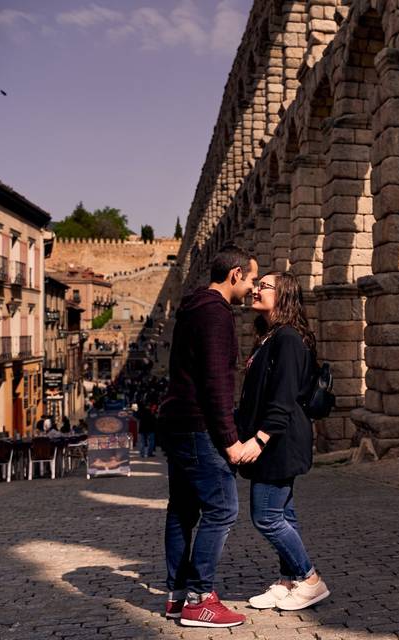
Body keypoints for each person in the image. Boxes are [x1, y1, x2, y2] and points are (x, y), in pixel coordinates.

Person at [157, 245, 262, 628]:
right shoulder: (217, 314)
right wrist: (231, 441)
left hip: (178, 423)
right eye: (251, 279)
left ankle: (176, 596)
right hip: (199, 426)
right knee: (222, 509)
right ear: (235, 275)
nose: (253, 288)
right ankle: (201, 598)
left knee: (182, 510)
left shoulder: (192, 308)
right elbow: (217, 381)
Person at [236, 272, 330, 611]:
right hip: (273, 438)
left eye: (265, 286)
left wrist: (259, 440)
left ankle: (309, 579)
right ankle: (288, 580)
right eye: (257, 283)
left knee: (266, 517)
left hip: (279, 440)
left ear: (285, 295)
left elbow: (284, 397)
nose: (256, 289)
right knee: (283, 514)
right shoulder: (270, 336)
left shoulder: (288, 338)